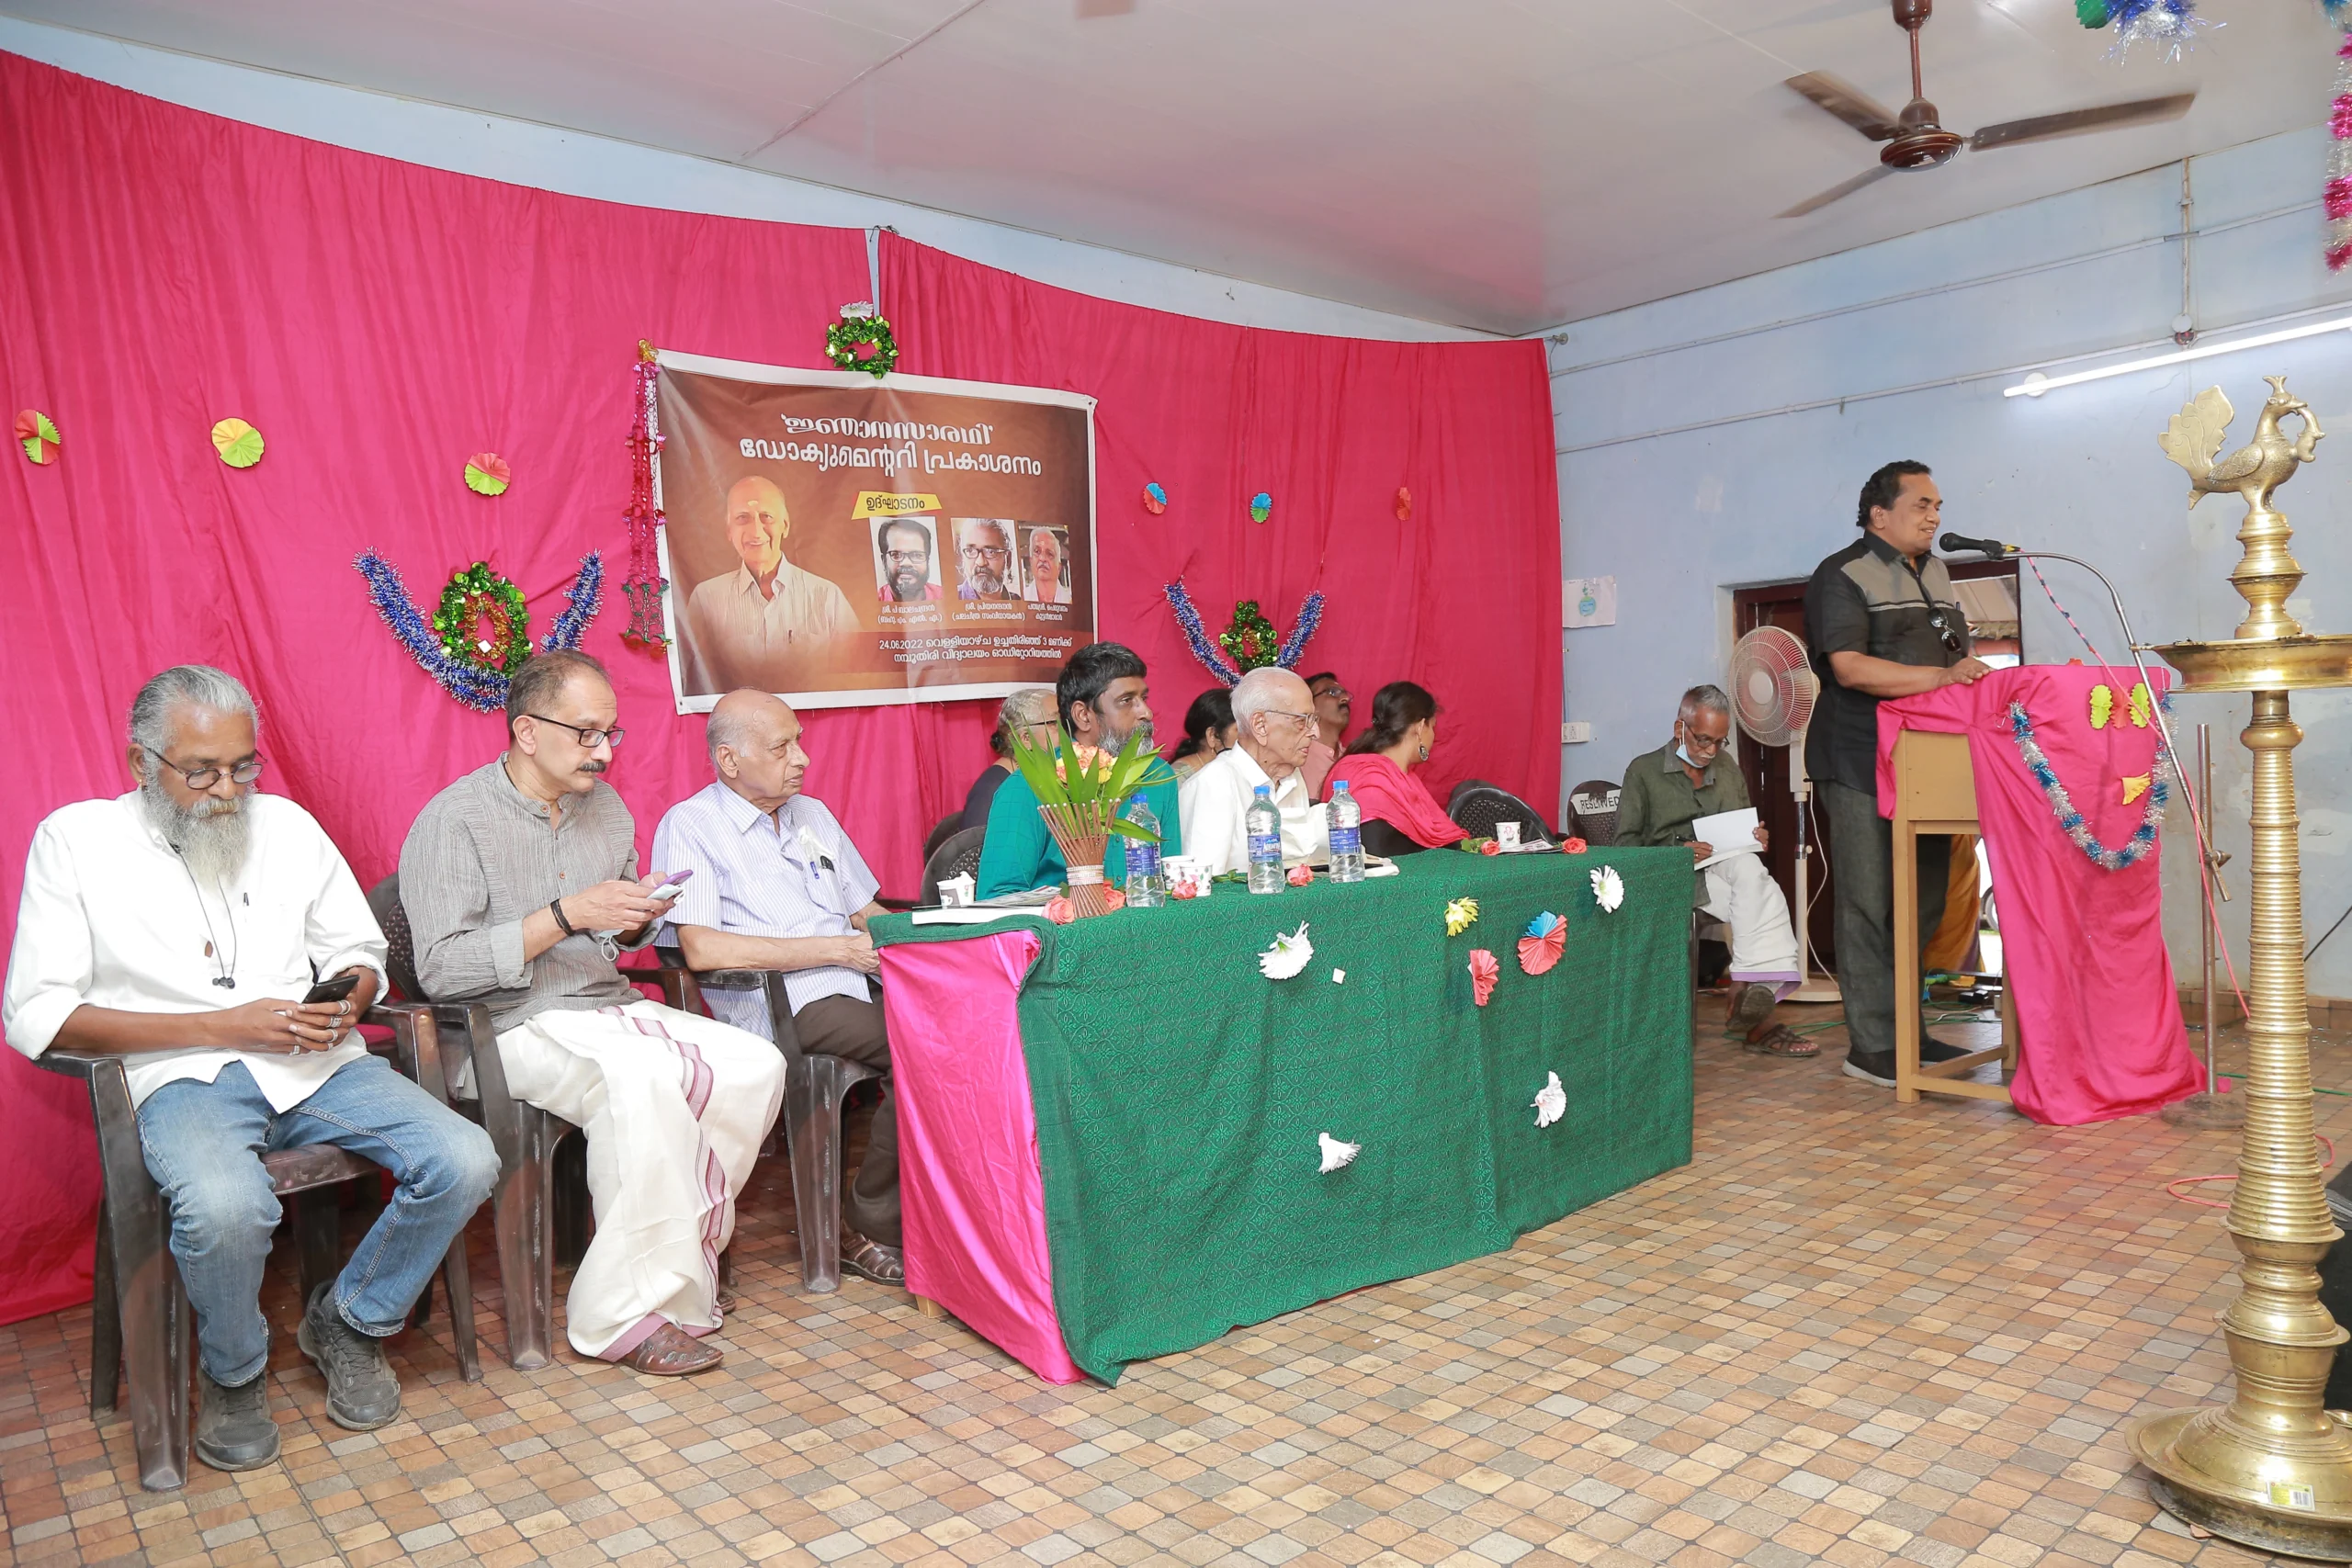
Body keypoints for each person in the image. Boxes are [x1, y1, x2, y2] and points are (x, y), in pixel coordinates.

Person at [2, 666, 497, 1471]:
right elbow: (39, 1013)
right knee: (227, 1208)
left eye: (242, 766)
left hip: (312, 1061)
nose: (228, 790)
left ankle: (351, 1320)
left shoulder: (290, 827)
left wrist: (351, 996)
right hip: (178, 1073)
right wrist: (220, 1024)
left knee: (465, 1156)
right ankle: (234, 1372)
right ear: (139, 762)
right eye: (200, 771)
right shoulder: (76, 840)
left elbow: (356, 949)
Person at [401, 651, 785, 1375]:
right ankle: (619, 1315)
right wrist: (565, 913)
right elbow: (442, 970)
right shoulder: (453, 820)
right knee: (638, 1078)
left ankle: (677, 1263)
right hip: (501, 1025)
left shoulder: (604, 809)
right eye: (586, 734)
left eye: (611, 733)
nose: (605, 752)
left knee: (756, 1064)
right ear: (524, 731)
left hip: (602, 1004)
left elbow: (609, 935)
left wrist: (637, 914)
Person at [653, 691, 903, 1285]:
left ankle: (917, 1208)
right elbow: (702, 948)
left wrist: (932, 948)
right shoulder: (693, 825)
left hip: (855, 981)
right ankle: (866, 1220)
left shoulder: (812, 814)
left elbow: (867, 911)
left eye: (799, 741)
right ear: (729, 759)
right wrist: (834, 948)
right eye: (781, 746)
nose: (802, 758)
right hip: (783, 1002)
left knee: (965, 1024)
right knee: (922, 1044)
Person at [1804, 460, 1992, 1088]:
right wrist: (1942, 677)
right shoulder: (1843, 573)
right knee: (1869, 905)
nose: (1935, 516)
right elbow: (1851, 667)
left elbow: (1955, 657)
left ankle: (1908, 1032)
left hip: (1929, 764)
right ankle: (1872, 1046)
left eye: (1939, 505)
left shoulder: (1937, 572)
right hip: (1858, 759)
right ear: (1878, 513)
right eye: (1922, 504)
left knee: (1924, 903)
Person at [1614, 685, 1814, 1058]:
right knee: (1764, 894)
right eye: (1703, 740)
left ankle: (1746, 983)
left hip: (1722, 871)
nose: (1709, 751)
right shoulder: (1643, 772)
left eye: (1719, 742)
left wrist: (1757, 836)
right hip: (1669, 879)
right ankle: (1755, 1010)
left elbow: (1741, 832)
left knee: (1754, 871)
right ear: (1680, 727)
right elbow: (1623, 848)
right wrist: (1677, 853)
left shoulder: (1726, 767)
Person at [977, 643, 1182, 897]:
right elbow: (999, 896)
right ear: (1083, 715)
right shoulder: (1027, 786)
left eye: (1144, 699)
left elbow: (1173, 880)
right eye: (1126, 701)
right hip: (1061, 932)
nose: (1146, 713)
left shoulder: (1158, 776)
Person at [684, 475, 860, 688]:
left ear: (785, 526)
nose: (756, 531)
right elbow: (691, 681)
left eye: (766, 516)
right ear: (729, 531)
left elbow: (857, 678)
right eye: (742, 518)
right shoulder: (705, 599)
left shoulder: (827, 596)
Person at [1181, 666, 1330, 876]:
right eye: (1301, 721)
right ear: (1260, 725)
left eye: (1313, 720)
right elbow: (1202, 886)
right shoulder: (1215, 783)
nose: (1315, 732)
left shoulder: (1290, 777)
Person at [1321, 681, 1467, 852]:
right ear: (1421, 727)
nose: (1434, 736)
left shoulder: (1404, 779)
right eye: (1433, 727)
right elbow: (1374, 847)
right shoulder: (1370, 778)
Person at [962, 687, 1060, 832]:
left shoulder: (1053, 776)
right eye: (1055, 723)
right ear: (1026, 738)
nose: (1067, 730)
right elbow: (976, 852)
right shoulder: (991, 789)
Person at [1168, 689, 1237, 784]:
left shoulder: (1236, 770)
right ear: (1213, 735)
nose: (1248, 736)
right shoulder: (1178, 779)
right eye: (1240, 729)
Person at [1302, 672, 1351, 798]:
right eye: (1332, 692)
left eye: (1345, 693)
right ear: (1310, 706)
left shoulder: (1352, 759)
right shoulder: (1297, 757)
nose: (1345, 698)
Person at [876, 517, 944, 604]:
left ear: (927, 560)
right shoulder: (871, 602)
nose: (906, 563)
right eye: (896, 555)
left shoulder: (944, 597)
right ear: (884, 561)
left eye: (917, 555)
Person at [955, 519, 1020, 602]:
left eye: (991, 552)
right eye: (970, 551)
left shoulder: (1019, 603)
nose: (980, 562)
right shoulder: (951, 600)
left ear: (1008, 559)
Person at [1023, 527, 1071, 605]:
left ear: (1059, 567)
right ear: (1031, 561)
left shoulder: (1069, 600)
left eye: (1050, 554)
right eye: (1037, 551)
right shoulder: (1022, 598)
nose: (1042, 558)